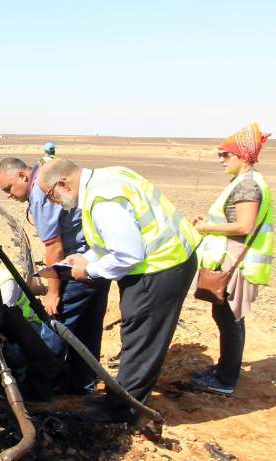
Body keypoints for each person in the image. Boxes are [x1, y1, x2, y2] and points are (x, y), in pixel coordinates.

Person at [38, 158, 201, 422]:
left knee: (141, 338)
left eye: (50, 195)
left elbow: (127, 253)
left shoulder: (103, 200)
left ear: (63, 183)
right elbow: (114, 240)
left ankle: (123, 411)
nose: (53, 202)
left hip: (160, 267)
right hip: (165, 260)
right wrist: (86, 258)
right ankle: (125, 400)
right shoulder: (107, 178)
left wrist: (87, 271)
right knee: (139, 335)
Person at [0, 158, 109, 393]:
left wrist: (53, 292)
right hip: (98, 259)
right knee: (89, 324)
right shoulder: (44, 184)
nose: (8, 195)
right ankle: (83, 383)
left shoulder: (39, 192)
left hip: (76, 264)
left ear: (23, 177)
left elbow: (54, 247)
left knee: (56, 323)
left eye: (8, 188)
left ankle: (40, 386)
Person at [190, 122, 274, 395]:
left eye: (225, 154)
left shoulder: (248, 185)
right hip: (233, 257)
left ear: (243, 157)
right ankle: (224, 369)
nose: (221, 160)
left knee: (230, 318)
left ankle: (225, 380)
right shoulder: (244, 182)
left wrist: (206, 228)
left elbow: (244, 226)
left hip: (238, 261)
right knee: (226, 315)